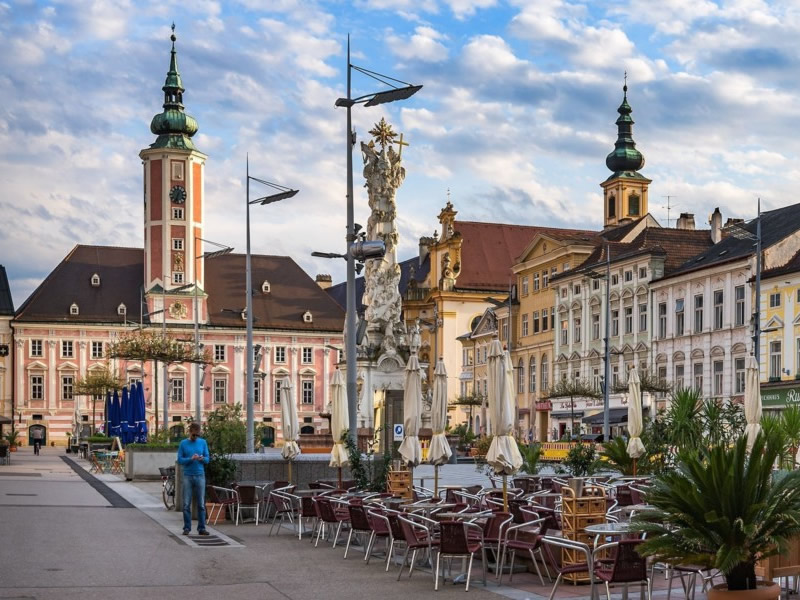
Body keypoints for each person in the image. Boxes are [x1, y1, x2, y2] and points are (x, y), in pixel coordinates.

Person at [176, 422, 210, 536]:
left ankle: (202, 528)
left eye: (197, 435)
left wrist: (201, 458)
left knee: (201, 503)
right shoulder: (183, 443)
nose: (195, 437)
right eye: (194, 435)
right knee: (186, 504)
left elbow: (207, 459)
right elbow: (180, 460)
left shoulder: (203, 442)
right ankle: (187, 527)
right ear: (190, 432)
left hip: (200, 475)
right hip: (188, 475)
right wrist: (190, 459)